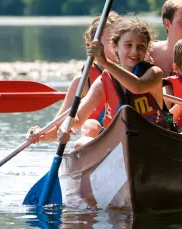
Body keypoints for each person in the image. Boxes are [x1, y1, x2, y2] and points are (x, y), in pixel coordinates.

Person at [57, 17, 171, 146]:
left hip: (153, 140)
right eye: (128, 45)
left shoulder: (154, 73)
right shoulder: (103, 81)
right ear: (114, 46)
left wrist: (104, 62)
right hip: (118, 143)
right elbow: (78, 118)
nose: (135, 51)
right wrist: (66, 125)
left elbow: (137, 87)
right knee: (81, 143)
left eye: (141, 46)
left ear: (147, 49)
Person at [27, 12, 122, 145]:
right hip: (97, 140)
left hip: (127, 135)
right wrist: (40, 134)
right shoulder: (82, 80)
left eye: (119, 40)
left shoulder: (133, 72)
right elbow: (58, 129)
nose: (116, 46)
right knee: (90, 124)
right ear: (92, 46)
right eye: (110, 41)